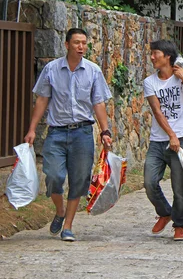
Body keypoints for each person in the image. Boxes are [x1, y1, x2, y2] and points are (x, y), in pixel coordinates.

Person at [24, 28, 113, 242]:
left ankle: (69, 226)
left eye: (84, 43)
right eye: (76, 43)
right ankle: (60, 210)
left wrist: (105, 130)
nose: (81, 47)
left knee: (79, 180)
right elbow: (43, 99)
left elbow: (98, 102)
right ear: (67, 45)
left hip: (82, 132)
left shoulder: (93, 71)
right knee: (53, 176)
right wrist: (32, 129)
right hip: (56, 132)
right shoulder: (51, 69)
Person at [143, 40, 183, 241]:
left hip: (181, 140)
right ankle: (165, 212)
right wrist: (171, 136)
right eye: (151, 53)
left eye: (155, 53)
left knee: (178, 187)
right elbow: (157, 112)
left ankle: (180, 225)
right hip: (159, 141)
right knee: (149, 182)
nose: (152, 57)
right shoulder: (150, 82)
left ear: (167, 56)